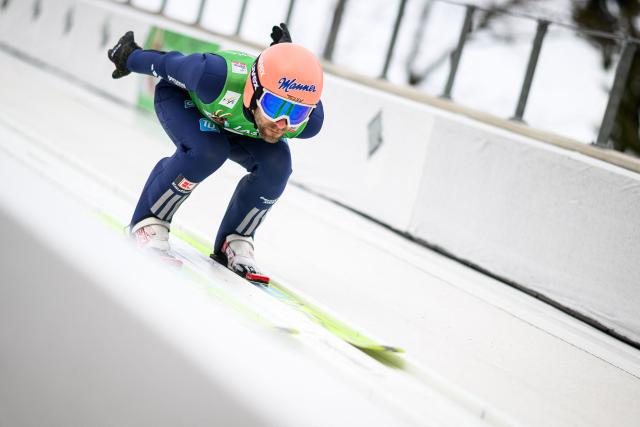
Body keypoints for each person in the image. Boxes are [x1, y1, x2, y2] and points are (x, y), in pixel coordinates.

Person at [107, 24, 324, 283]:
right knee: (208, 151)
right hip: (185, 101)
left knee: (278, 165)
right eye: (274, 105)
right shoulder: (212, 76)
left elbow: (283, 100)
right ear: (253, 90)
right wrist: (129, 56)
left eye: (297, 114)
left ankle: (237, 238)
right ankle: (149, 221)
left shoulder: (309, 124)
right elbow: (167, 64)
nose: (283, 123)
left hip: (240, 123)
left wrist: (281, 57)